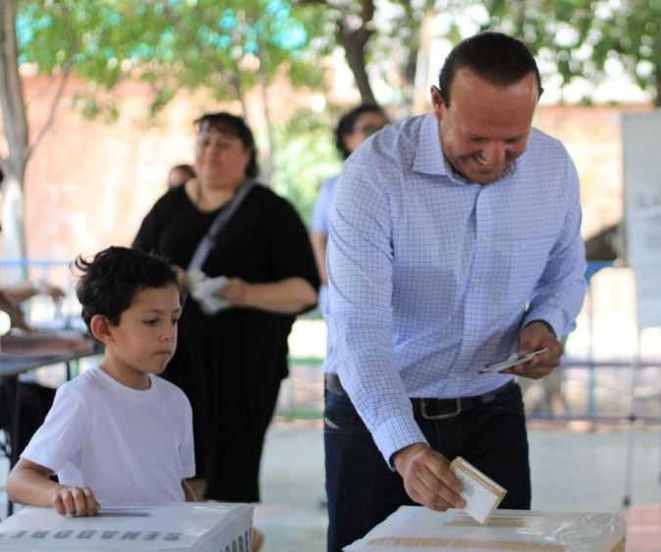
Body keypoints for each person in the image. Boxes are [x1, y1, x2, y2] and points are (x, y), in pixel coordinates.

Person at [324, 32, 586, 551]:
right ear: (438, 104)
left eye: (514, 140)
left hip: (491, 413)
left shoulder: (553, 168)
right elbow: (360, 330)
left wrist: (547, 324)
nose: (494, 157)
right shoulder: (373, 178)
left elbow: (565, 270)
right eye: (476, 139)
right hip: (378, 416)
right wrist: (405, 448)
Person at [133, 112, 319, 503]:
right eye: (204, 141)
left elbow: (304, 290)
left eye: (223, 144)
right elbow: (132, 274)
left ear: (246, 154)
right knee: (169, 472)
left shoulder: (272, 211)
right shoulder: (168, 207)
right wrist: (168, 279)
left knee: (231, 476)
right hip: (171, 364)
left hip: (245, 369)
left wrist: (244, 293)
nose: (210, 151)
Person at [6, 247, 192, 514]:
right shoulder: (82, 398)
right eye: (152, 321)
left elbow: (178, 486)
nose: (167, 334)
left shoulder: (176, 400)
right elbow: (19, 481)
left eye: (174, 320)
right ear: (104, 329)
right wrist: (61, 493)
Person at [310, 104, 388, 318]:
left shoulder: (402, 186)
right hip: (342, 296)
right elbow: (318, 235)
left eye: (386, 128)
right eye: (369, 129)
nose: (380, 135)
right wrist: (327, 279)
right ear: (347, 139)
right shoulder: (332, 186)